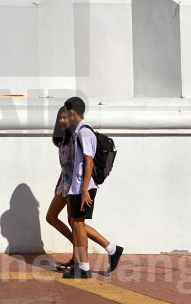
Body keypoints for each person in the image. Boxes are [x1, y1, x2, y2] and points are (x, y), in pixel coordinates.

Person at [45, 106, 115, 272]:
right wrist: (58, 183)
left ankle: (83, 259)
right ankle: (107, 247)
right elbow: (65, 166)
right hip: (64, 184)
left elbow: (84, 163)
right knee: (52, 217)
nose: (62, 121)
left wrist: (83, 188)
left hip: (75, 185)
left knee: (76, 223)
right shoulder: (62, 139)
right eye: (59, 118)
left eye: (65, 117)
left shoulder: (77, 137)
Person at [62, 96, 123, 278]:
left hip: (83, 186)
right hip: (78, 186)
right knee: (77, 224)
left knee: (78, 224)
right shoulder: (79, 130)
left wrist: (84, 189)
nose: (65, 115)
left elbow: (89, 161)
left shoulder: (84, 131)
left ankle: (85, 268)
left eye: (66, 112)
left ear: (71, 111)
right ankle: (87, 264)